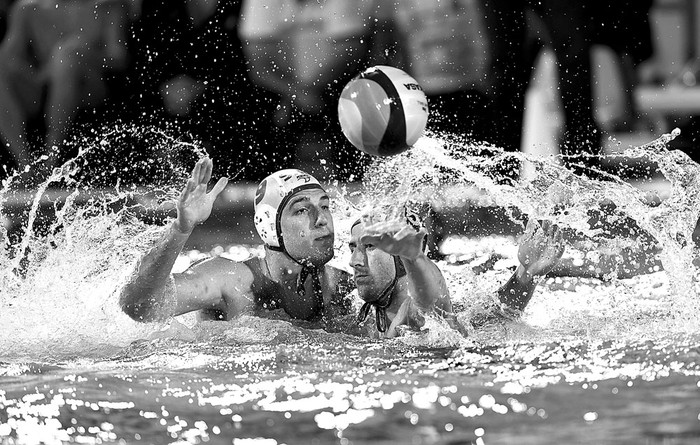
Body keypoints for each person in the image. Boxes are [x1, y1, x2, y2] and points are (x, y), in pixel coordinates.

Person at [119, 159, 354, 324]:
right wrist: (181, 230)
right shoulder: (232, 282)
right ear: (269, 225)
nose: (322, 219)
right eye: (302, 210)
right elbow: (140, 307)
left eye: (324, 206)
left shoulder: (341, 287)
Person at [349, 215, 566, 338]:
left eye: (369, 246)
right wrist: (524, 276)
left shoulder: (410, 315)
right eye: (352, 248)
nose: (354, 261)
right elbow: (498, 312)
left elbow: (432, 307)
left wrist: (413, 258)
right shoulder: (363, 316)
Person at [0, 0, 130, 172]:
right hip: (43, 84)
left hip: (87, 83)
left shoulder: (107, 5)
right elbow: (8, 57)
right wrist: (45, 69)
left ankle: (51, 160)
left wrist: (78, 53)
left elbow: (119, 57)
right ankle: (25, 165)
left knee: (66, 58)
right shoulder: (28, 8)